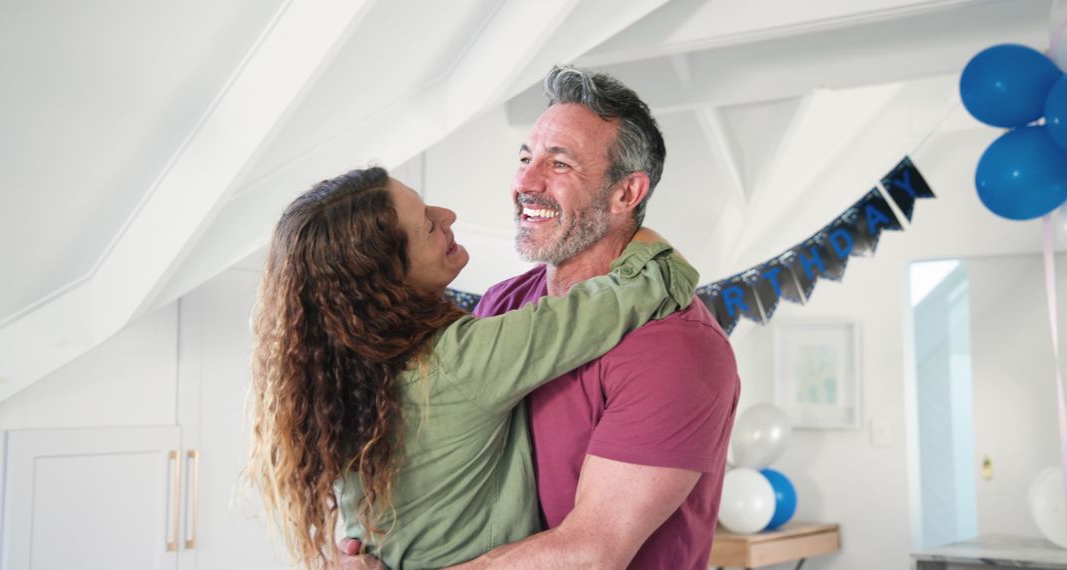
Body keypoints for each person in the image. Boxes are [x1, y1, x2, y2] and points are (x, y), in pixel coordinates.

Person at [246, 166, 698, 569]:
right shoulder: (461, 361)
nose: (448, 216)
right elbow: (651, 281)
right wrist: (628, 219)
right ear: (386, 277)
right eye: (427, 224)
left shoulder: (340, 381)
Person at [454, 64, 741, 569]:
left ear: (626, 194)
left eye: (559, 164)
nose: (525, 181)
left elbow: (591, 552)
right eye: (525, 158)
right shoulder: (501, 304)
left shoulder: (677, 345)